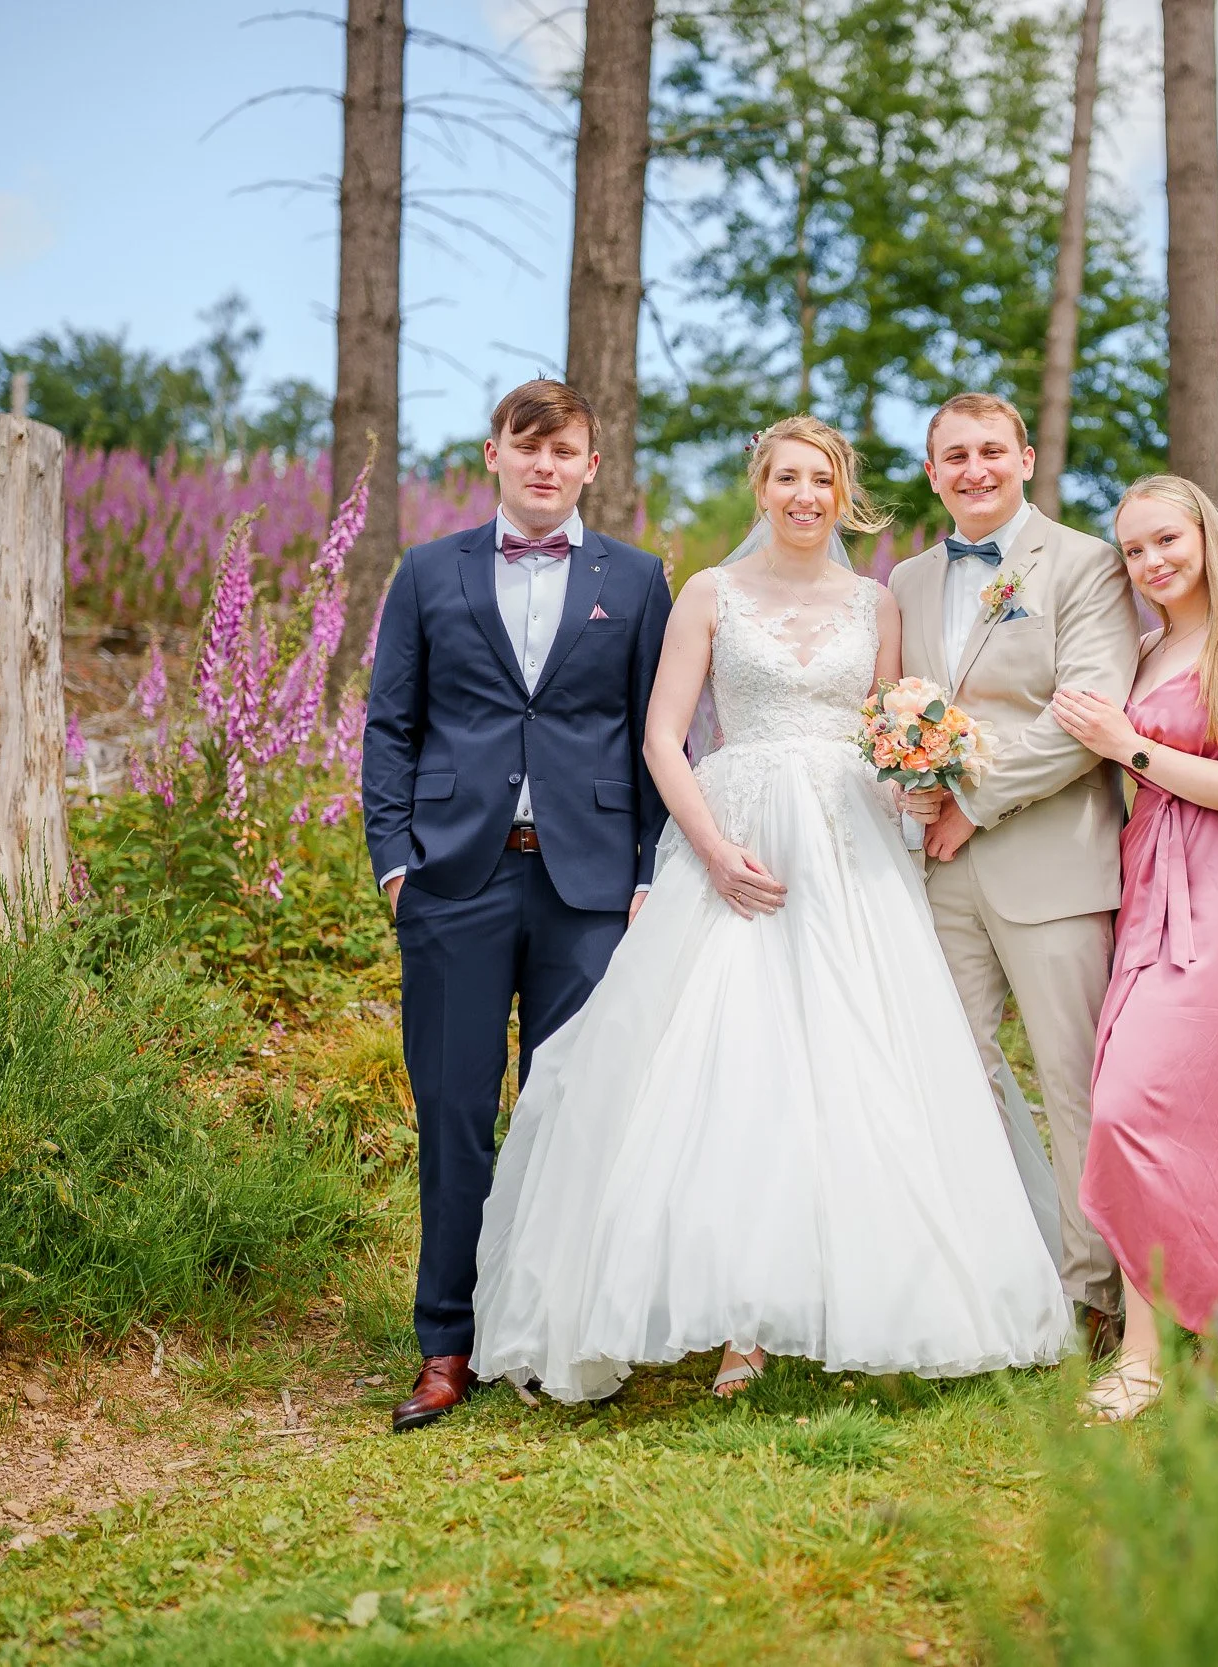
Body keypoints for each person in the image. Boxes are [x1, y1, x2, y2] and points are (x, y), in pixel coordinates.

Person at [465, 415, 1074, 1403]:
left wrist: (915, 783)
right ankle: (737, 1314)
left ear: (843, 494)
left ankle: (878, 1290)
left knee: (857, 1058)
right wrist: (711, 850)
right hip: (737, 837)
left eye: (821, 479)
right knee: (728, 1063)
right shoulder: (709, 593)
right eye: (786, 476)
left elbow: (888, 726)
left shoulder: (875, 603)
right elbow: (665, 738)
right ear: (761, 487)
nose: (803, 494)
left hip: (849, 848)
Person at [360, 379, 673, 1434]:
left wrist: (644, 872)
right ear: (490, 453)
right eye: (525, 446)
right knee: (455, 1113)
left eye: (565, 449)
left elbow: (654, 732)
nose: (545, 465)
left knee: (569, 1112)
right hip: (454, 878)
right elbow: (390, 726)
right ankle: (445, 1343)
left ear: (592, 464)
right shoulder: (425, 570)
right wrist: (393, 860)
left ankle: (546, 1328)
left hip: (588, 886)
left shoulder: (634, 580)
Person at [1049, 474, 1218, 1422]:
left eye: (1168, 541)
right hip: (1152, 883)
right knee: (1147, 1105)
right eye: (1134, 550)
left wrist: (1131, 747)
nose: (1153, 562)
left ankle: (1152, 1353)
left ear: (1206, 535)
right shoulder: (1156, 644)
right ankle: (1180, 1324)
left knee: (1142, 1104)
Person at [887, 392, 1142, 1355]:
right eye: (955, 456)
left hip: (1056, 865)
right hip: (934, 873)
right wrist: (906, 788)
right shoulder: (906, 580)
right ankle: (988, 1276)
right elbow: (893, 706)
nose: (975, 469)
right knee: (952, 1074)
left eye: (992, 450)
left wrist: (970, 804)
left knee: (1074, 1083)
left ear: (1026, 457)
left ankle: (1095, 1292)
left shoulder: (1084, 564)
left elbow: (1084, 717)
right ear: (931, 471)